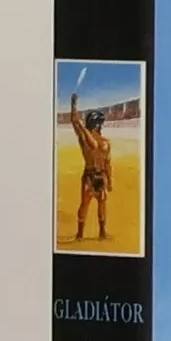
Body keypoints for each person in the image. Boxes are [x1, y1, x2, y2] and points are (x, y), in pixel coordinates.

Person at [68, 92, 113, 241]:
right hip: (101, 175)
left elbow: (75, 122)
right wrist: (110, 181)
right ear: (98, 124)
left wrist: (73, 105)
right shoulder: (105, 142)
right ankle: (102, 233)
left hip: (89, 175)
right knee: (102, 204)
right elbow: (107, 163)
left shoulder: (84, 138)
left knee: (85, 204)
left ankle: (80, 234)